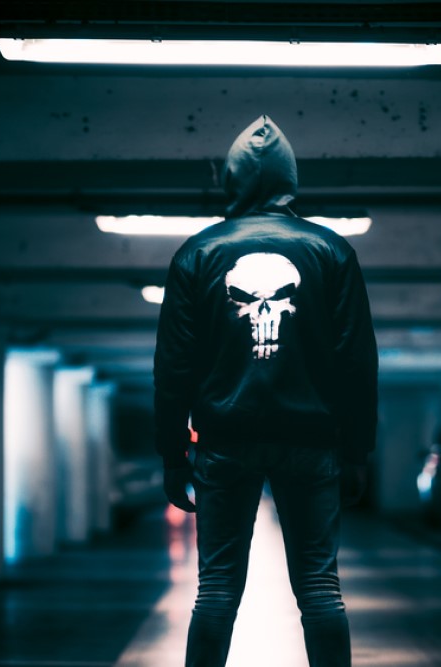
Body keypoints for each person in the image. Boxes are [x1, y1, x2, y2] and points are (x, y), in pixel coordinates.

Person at [153, 115, 378, 667]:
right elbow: (357, 361)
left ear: (229, 180)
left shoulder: (196, 254)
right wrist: (356, 452)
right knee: (321, 590)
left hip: (224, 443)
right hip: (312, 441)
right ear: (289, 179)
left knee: (216, 591)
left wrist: (172, 454)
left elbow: (172, 367)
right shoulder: (330, 251)